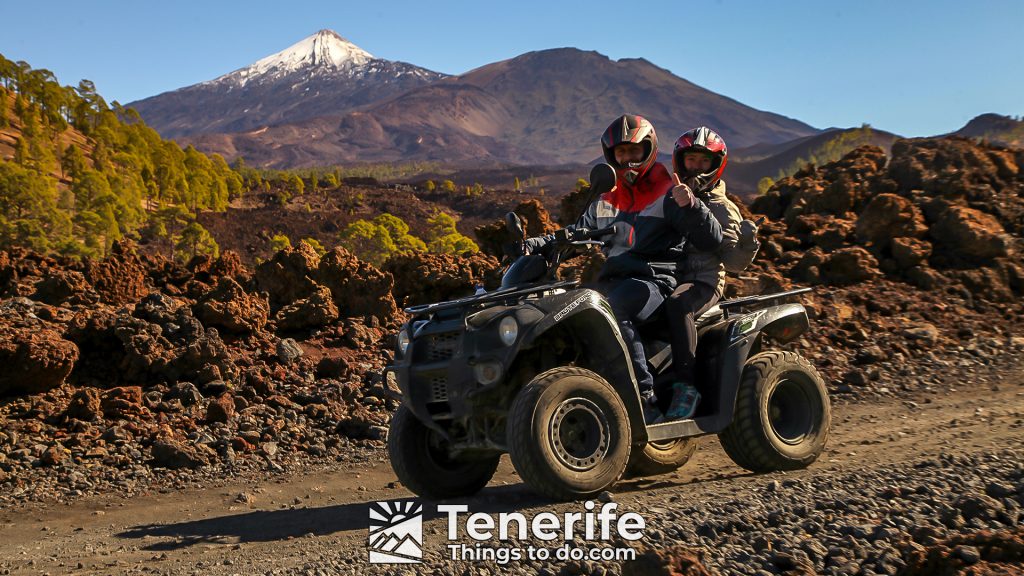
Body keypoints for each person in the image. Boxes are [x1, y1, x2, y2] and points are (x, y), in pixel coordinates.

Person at [525, 115, 723, 423]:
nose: (628, 159)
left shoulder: (669, 192)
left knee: (612, 311)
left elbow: (711, 239)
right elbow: (574, 233)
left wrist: (692, 205)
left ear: (649, 149)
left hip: (655, 281)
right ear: (611, 157)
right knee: (569, 309)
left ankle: (644, 399)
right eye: (621, 153)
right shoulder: (606, 199)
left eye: (634, 151)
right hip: (615, 280)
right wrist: (534, 244)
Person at [661, 126, 760, 421]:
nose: (696, 167)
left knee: (679, 306)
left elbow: (732, 262)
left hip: (703, 281)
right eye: (691, 160)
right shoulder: (670, 197)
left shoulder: (723, 208)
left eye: (704, 161)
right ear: (681, 162)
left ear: (716, 165)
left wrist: (747, 243)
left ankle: (686, 388)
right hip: (668, 276)